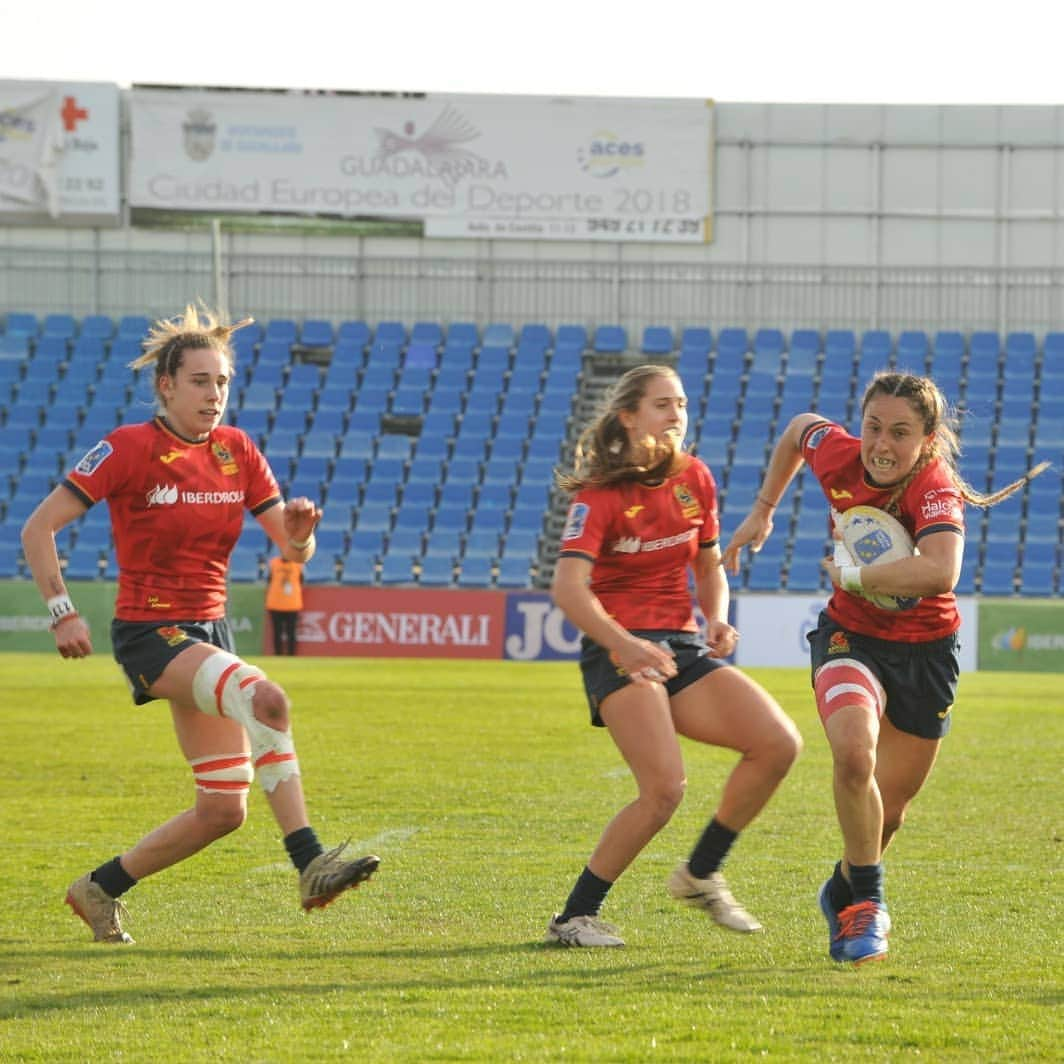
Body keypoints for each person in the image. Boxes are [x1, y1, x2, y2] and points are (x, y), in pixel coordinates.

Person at [21, 303, 379, 945]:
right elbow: (37, 527)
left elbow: (292, 549)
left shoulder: (238, 450)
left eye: (222, 382)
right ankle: (310, 862)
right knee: (267, 697)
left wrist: (301, 540)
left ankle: (98, 888)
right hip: (148, 634)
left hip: (207, 633)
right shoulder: (127, 448)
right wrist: (62, 610)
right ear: (166, 384)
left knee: (223, 810)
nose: (214, 394)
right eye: (199, 381)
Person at [722, 371, 1049, 965]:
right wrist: (764, 511)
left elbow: (940, 571)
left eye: (900, 432)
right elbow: (800, 430)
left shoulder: (935, 485)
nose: (881, 443)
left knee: (888, 814)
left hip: (927, 650)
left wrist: (856, 575)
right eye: (873, 426)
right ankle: (867, 904)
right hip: (851, 636)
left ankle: (845, 887)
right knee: (853, 754)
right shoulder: (840, 454)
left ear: (926, 440)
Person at [545, 364, 802, 948]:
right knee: (663, 790)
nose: (677, 413)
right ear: (628, 418)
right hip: (621, 651)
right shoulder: (600, 496)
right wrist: (624, 644)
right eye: (662, 404)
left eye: (681, 403)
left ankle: (700, 873)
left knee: (778, 743)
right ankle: (573, 919)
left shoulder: (696, 479)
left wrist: (717, 616)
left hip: (682, 647)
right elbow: (567, 589)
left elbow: (709, 566)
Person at [266, 554, 304, 655]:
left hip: (292, 604)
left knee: (291, 632)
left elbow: (301, 580)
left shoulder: (298, 564)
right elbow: (269, 579)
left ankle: (291, 655)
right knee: (277, 632)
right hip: (275, 604)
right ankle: (278, 655)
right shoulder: (273, 563)